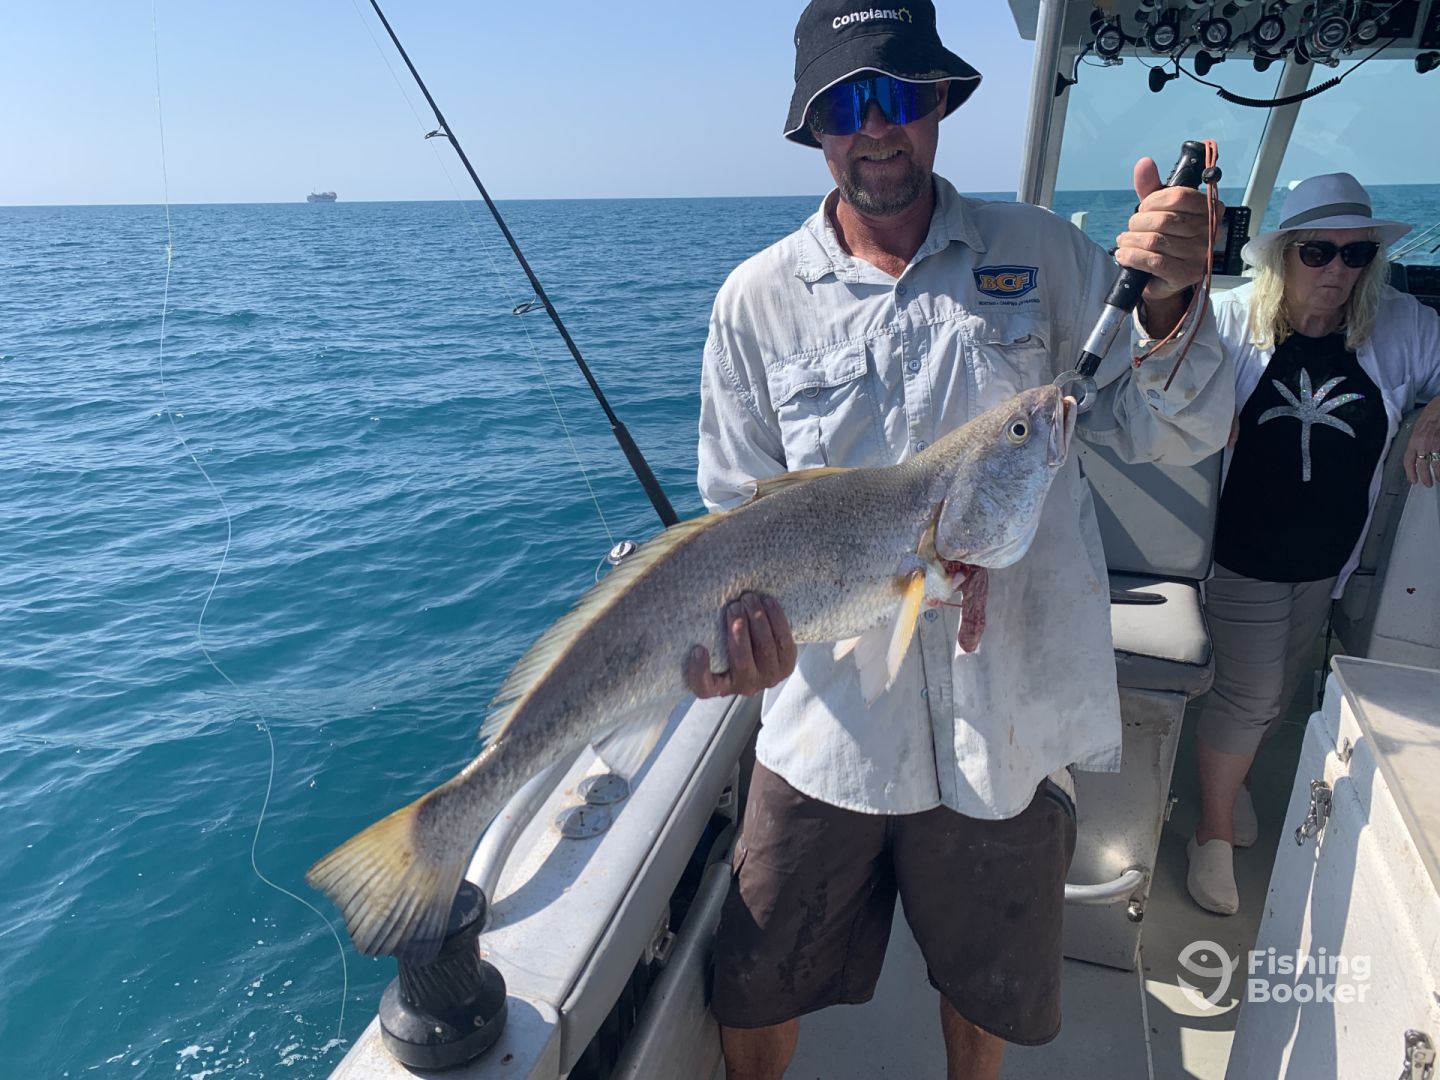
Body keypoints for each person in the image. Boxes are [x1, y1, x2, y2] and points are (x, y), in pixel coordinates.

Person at [685, 4, 1233, 1078]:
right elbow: (732, 521)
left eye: (899, 94)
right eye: (845, 104)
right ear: (813, 129)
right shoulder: (754, 304)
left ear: (938, 102)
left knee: (982, 1000)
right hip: (827, 734)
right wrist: (736, 644)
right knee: (753, 986)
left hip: (1007, 735)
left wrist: (1172, 306)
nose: (875, 126)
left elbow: (1178, 429)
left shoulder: (1048, 255)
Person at [1187, 172, 1440, 916]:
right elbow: (1156, 375)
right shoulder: (1230, 319)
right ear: (1282, 256)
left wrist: (1437, 412)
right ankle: (1210, 829)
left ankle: (1230, 787)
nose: (1337, 269)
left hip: (1329, 558)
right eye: (1318, 251)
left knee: (1286, 686)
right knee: (1250, 694)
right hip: (1243, 550)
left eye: (1356, 254)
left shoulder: (1399, 324)